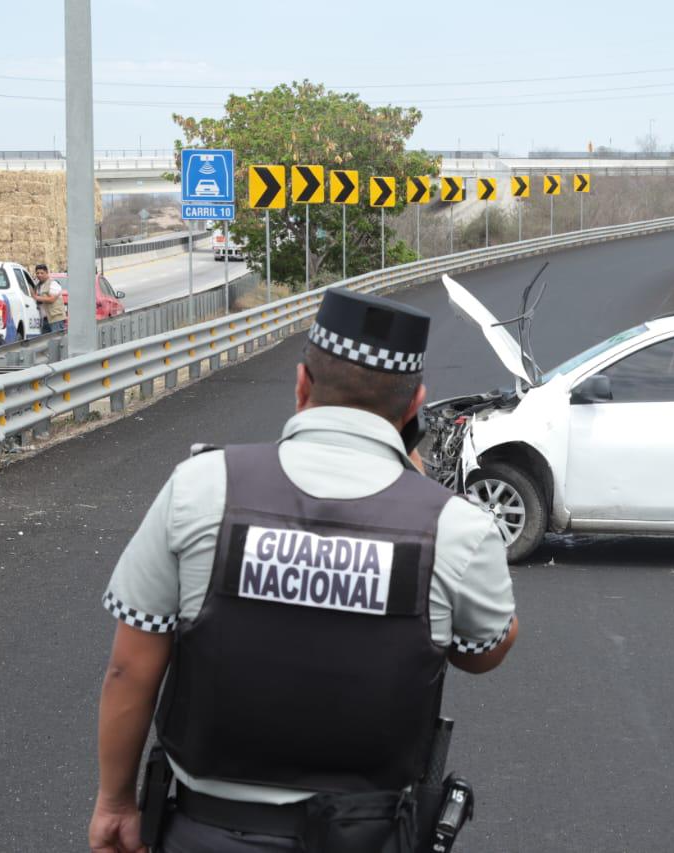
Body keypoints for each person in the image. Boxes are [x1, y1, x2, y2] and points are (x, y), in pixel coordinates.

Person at [88, 288, 518, 853]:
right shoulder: (456, 528)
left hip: (203, 831)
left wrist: (116, 802)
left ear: (301, 386)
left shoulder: (200, 487)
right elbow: (482, 650)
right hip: (370, 834)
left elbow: (130, 670)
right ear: (415, 405)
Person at [32, 263, 67, 333]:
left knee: (56, 340)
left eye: (42, 273)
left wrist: (36, 297)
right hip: (45, 319)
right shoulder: (38, 286)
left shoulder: (53, 283)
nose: (39, 275)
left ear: (47, 273)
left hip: (56, 319)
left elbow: (52, 299)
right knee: (46, 342)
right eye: (37, 273)